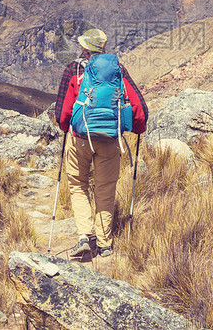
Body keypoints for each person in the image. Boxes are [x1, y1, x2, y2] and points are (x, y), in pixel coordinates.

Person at [54, 28, 148, 259]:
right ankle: (105, 244)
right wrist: (138, 128)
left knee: (78, 186)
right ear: (103, 48)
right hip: (109, 139)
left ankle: (85, 236)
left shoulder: (73, 70)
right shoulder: (118, 70)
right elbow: (137, 105)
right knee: (105, 189)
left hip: (80, 139)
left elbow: (63, 110)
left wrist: (65, 126)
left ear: (84, 47)